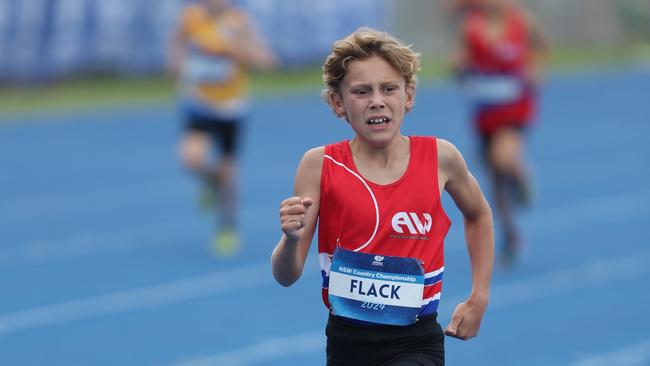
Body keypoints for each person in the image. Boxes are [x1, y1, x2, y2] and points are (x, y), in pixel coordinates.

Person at [271, 28, 494, 366]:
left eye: (389, 88)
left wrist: (479, 296)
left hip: (416, 341)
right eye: (361, 91)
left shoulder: (440, 158)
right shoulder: (320, 165)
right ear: (338, 102)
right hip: (346, 342)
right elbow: (286, 275)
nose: (377, 100)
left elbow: (478, 215)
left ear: (408, 95)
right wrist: (291, 239)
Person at [167, 0, 276, 256]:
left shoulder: (240, 22)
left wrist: (235, 50)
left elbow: (266, 60)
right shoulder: (190, 17)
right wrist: (177, 63)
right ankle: (210, 181)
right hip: (198, 103)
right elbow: (175, 43)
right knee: (190, 159)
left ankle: (227, 226)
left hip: (231, 108)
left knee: (229, 171)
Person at [449, 0, 548, 266]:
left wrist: (535, 70)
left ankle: (522, 175)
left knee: (503, 158)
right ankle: (510, 235)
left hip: (515, 109)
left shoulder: (521, 23)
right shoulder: (471, 27)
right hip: (485, 113)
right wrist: (460, 67)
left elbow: (540, 47)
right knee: (495, 182)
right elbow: (460, 64)